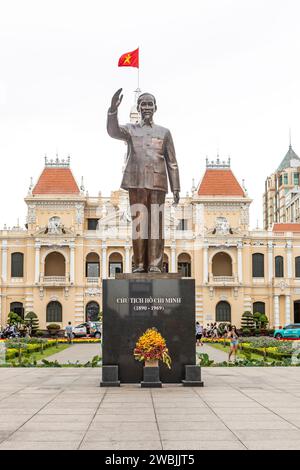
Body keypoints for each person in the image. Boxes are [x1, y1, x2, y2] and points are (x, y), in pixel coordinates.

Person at [107, 89, 180, 273]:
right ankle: (139, 264)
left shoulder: (164, 132)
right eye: (143, 104)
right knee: (139, 225)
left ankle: (155, 265)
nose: (146, 107)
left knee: (155, 225)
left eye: (150, 104)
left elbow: (172, 162)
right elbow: (113, 131)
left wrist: (176, 188)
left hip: (158, 183)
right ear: (138, 108)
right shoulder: (130, 130)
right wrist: (112, 111)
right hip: (136, 181)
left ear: (155, 107)